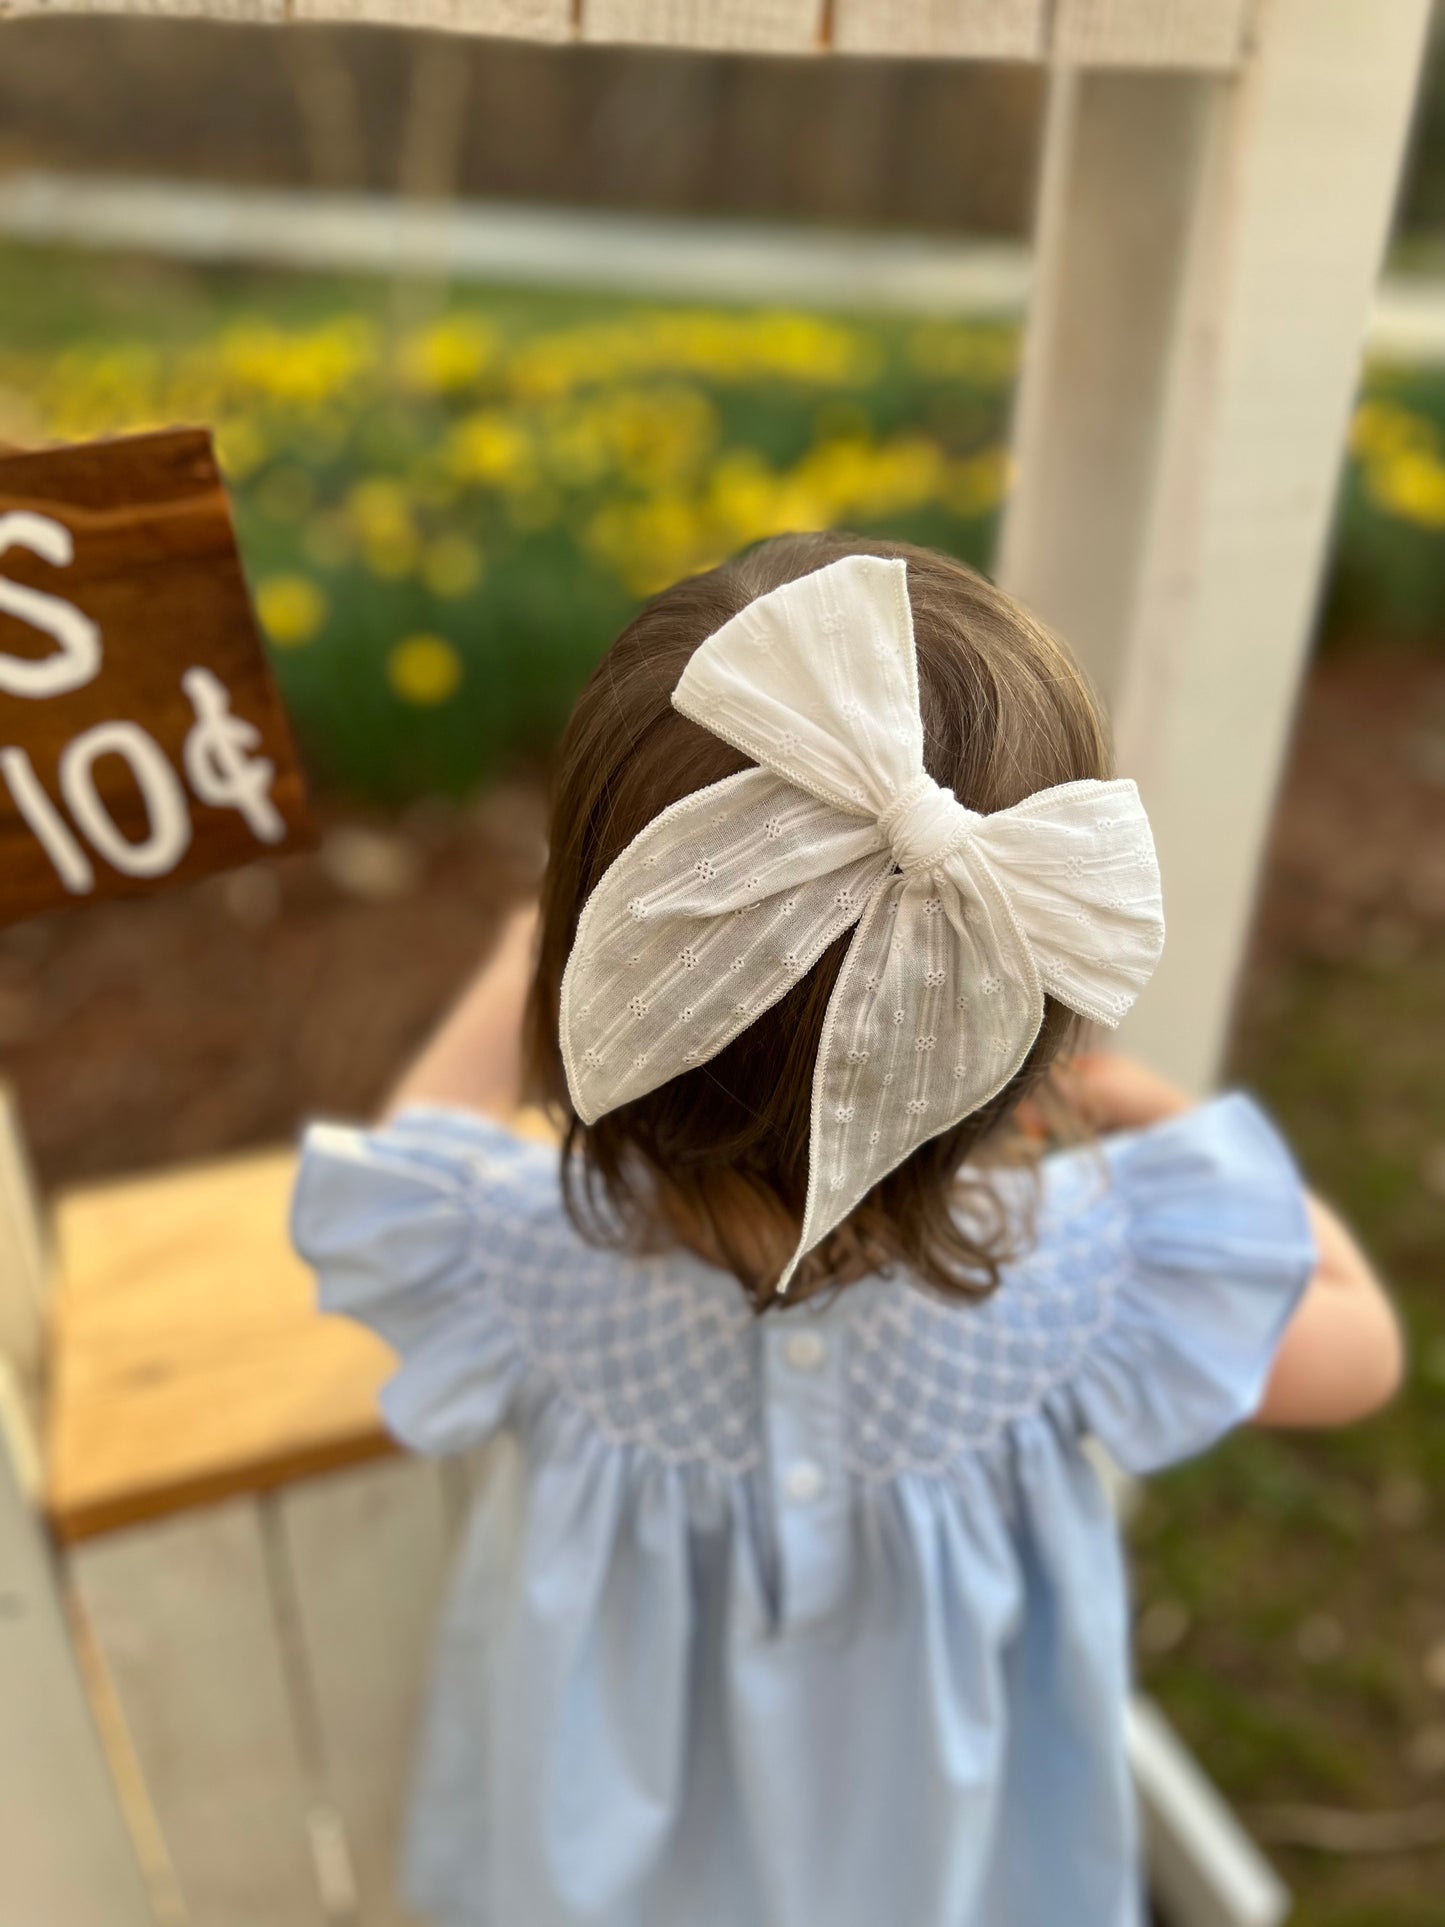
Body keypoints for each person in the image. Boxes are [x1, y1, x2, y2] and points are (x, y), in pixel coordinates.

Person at [292, 534, 1402, 1927]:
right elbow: (1352, 1350)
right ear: (1026, 1015)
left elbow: (411, 1151)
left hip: (604, 1876)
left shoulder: (519, 1263)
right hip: (941, 1874)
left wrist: (533, 942)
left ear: (600, 975)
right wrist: (1166, 1123)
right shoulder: (1089, 1278)